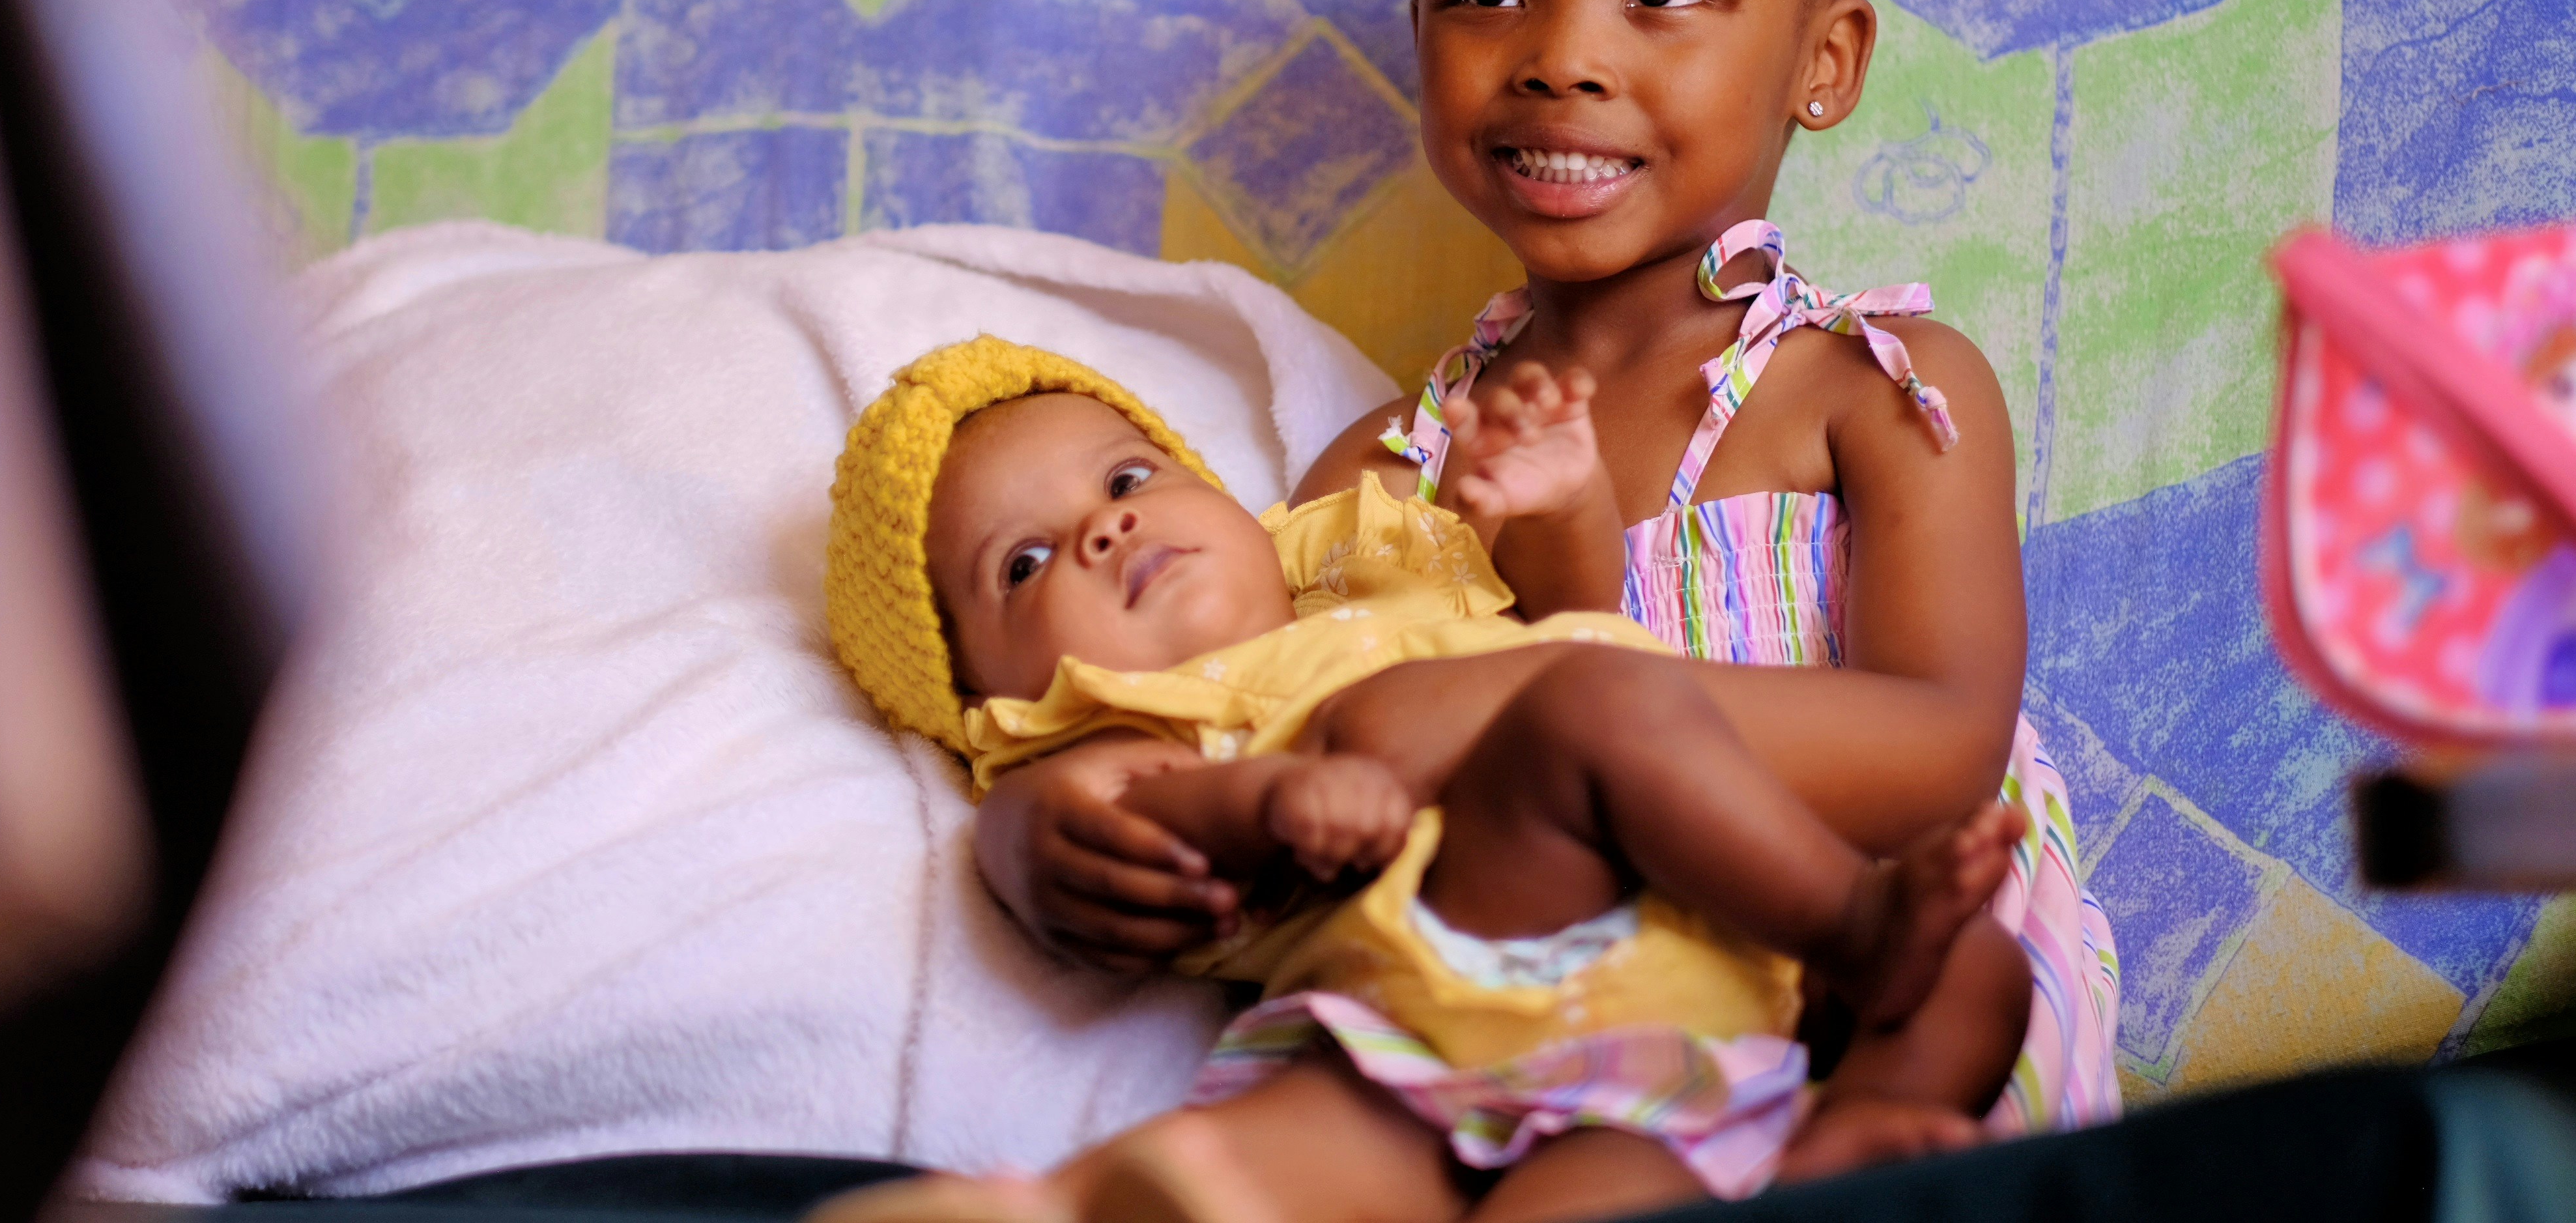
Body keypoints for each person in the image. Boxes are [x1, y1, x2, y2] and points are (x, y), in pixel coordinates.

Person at [974, 0, 2121, 1155]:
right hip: (1543, 1047)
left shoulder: (1875, 390)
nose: (1558, 55)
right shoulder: (1387, 470)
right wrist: (1037, 843)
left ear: (1824, 61)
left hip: (1883, 1006)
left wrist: (1515, 700)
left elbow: (1940, 744)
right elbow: (1222, 706)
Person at [814, 337, 2029, 1220]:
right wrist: (1267, 803)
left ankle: (1850, 1133)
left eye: (1128, 481)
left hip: (1689, 1017)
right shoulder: (1116, 717)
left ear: (1231, 506)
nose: (1104, 531)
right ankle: (1855, 924)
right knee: (1596, 697)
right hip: (1456, 960)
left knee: (1983, 968)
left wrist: (1564, 500)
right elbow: (1103, 813)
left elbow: (1568, 607)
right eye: (1024, 566)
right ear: (987, 695)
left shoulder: (1362, 568)